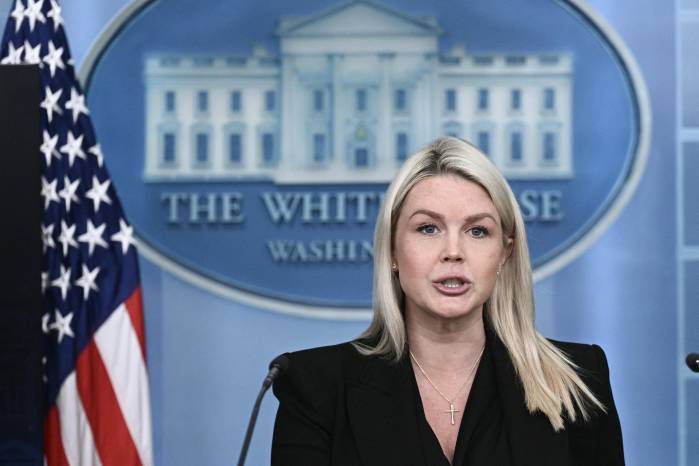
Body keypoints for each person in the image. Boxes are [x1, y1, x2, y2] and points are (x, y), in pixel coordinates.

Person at [271, 137, 624, 466]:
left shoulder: (578, 380)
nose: (453, 252)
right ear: (392, 250)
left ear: (504, 253)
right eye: (428, 228)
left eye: (477, 231)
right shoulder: (313, 386)